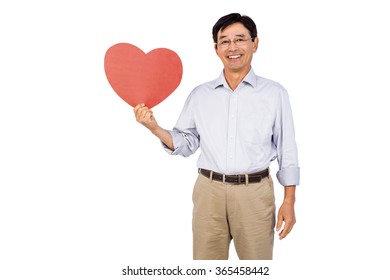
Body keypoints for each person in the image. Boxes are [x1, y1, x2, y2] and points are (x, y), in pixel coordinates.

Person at [133, 13, 300, 260]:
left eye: (240, 39)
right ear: (216, 48)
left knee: (256, 268)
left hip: (254, 194)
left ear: (255, 43)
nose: (232, 47)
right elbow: (186, 143)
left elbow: (287, 150)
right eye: (225, 41)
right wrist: (154, 128)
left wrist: (289, 201)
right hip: (208, 192)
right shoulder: (200, 95)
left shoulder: (275, 94)